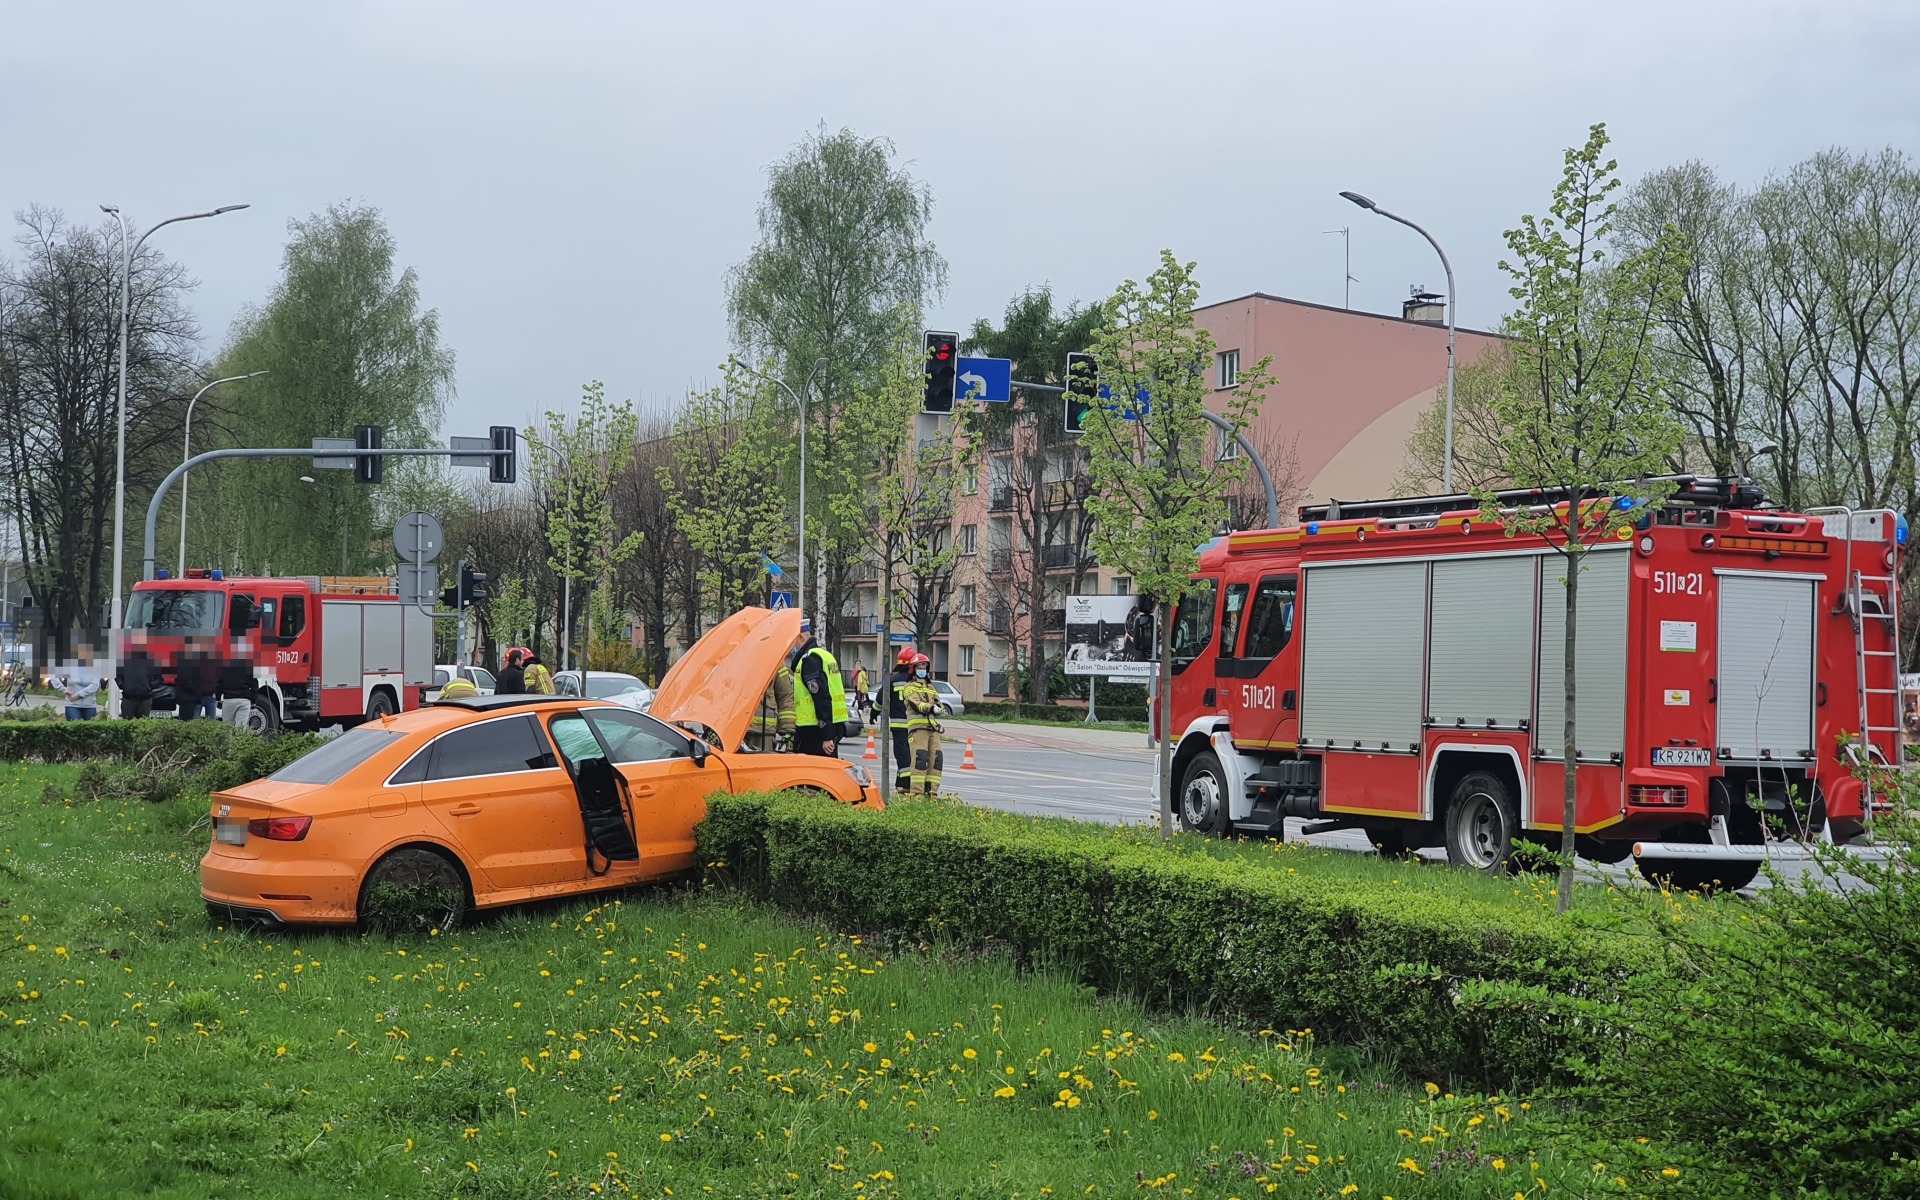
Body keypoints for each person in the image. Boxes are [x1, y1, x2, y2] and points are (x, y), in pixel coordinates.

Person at [790, 619, 850, 758]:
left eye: (792, 641)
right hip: (832, 723)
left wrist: (826, 734)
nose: (791, 646)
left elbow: (821, 697)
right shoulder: (825, 655)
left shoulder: (809, 660)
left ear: (801, 638)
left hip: (814, 729)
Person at [900, 653, 945, 795]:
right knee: (920, 759)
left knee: (936, 759)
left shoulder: (930, 687)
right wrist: (930, 707)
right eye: (919, 666)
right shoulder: (909, 687)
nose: (922, 669)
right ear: (913, 669)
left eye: (924, 666)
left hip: (932, 728)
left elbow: (938, 702)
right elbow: (916, 703)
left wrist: (939, 709)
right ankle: (917, 793)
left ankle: (932, 792)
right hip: (918, 729)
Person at [747, 661, 796, 752]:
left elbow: (785, 695)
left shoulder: (776, 659)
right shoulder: (734, 653)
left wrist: (787, 730)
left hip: (764, 732)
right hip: (734, 730)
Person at [885, 646, 914, 792]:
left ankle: (905, 784)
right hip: (914, 725)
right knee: (909, 754)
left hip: (898, 725)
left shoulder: (893, 680)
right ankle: (901, 783)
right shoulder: (916, 681)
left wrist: (873, 714)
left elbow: (880, 700)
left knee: (901, 754)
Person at [217, 639, 259, 725]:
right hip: (244, 700)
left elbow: (220, 683)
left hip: (229, 700)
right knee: (240, 728)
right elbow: (254, 685)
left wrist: (218, 697)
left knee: (227, 727)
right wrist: (254, 701)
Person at [117, 638, 157, 720]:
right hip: (128, 698)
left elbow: (160, 677)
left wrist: (150, 686)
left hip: (145, 699)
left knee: (143, 726)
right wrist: (123, 685)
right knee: (126, 726)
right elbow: (116, 675)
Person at [60, 650, 102, 722]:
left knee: (90, 730)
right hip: (72, 705)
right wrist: (62, 688)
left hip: (90, 705)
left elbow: (95, 685)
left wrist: (78, 695)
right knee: (74, 728)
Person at [173, 640, 208, 720]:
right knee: (186, 721)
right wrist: (198, 691)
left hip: (189, 697)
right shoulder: (186, 663)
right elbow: (186, 681)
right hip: (188, 698)